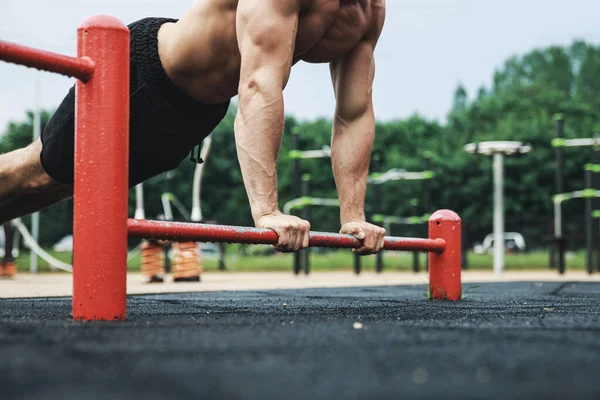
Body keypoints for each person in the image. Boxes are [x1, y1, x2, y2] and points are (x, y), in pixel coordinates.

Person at [0, 0, 387, 256]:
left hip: (197, 115)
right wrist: (267, 211)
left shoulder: (370, 10)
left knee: (66, 184)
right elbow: (258, 84)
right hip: (143, 76)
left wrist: (353, 215)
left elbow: (353, 111)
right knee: (35, 172)